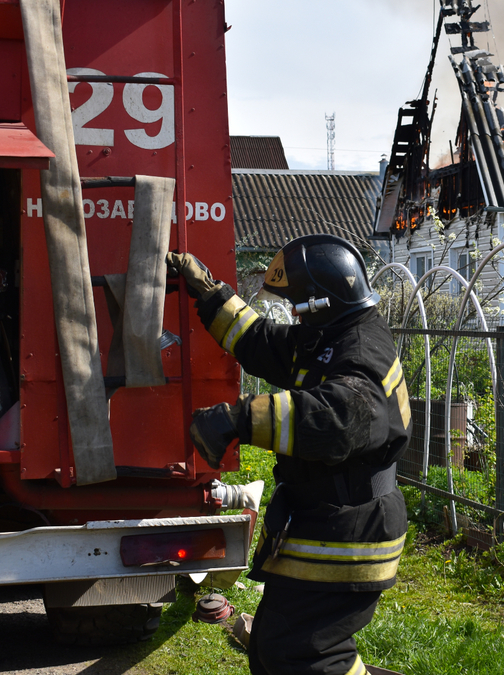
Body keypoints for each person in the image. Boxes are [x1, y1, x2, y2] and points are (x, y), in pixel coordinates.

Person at [167, 234, 411, 675]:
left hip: (349, 528)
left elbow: (339, 419)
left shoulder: (360, 351)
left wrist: (240, 420)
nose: (293, 315)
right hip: (329, 517)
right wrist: (210, 293)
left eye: (298, 304)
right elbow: (263, 341)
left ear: (322, 302)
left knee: (302, 654)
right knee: (272, 648)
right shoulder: (331, 333)